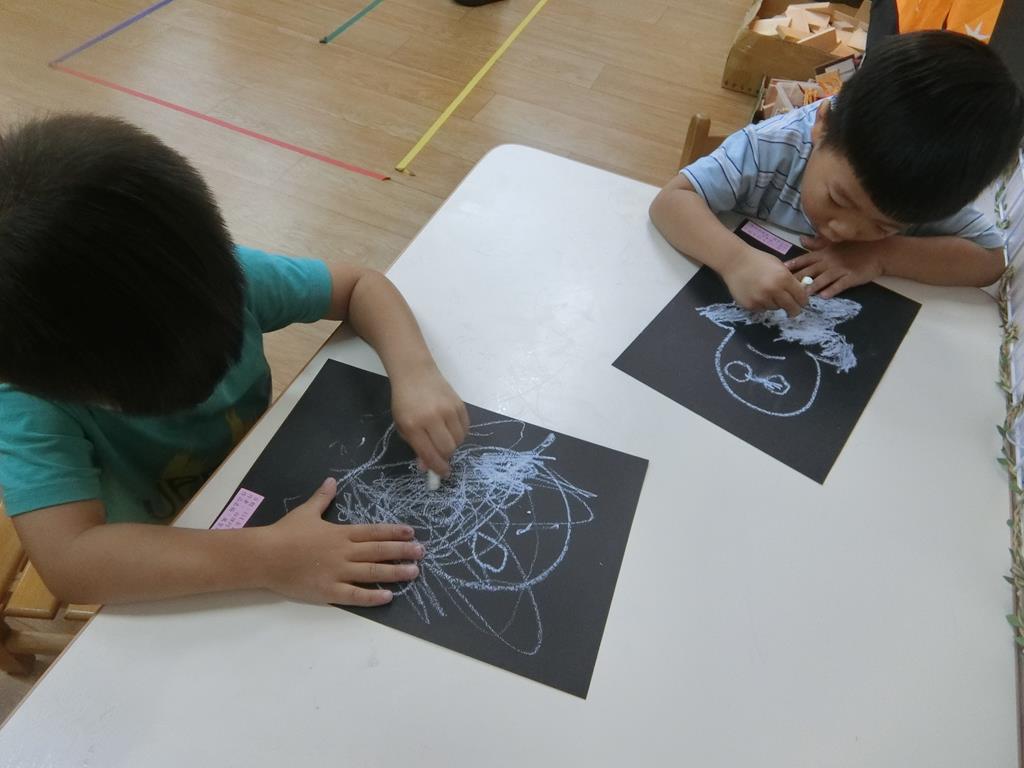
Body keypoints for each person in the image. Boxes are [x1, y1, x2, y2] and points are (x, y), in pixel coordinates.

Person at [0, 114, 469, 607]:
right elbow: (72, 564)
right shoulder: (27, 400)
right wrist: (269, 559)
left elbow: (359, 286)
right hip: (159, 550)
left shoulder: (215, 280)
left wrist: (415, 373)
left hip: (257, 478)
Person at [650, 30, 1024, 317]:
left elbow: (991, 259)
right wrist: (735, 261)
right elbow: (672, 200)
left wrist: (882, 254)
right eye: (839, 198)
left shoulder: (923, 189)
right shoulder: (773, 146)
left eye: (883, 225)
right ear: (822, 125)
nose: (844, 230)